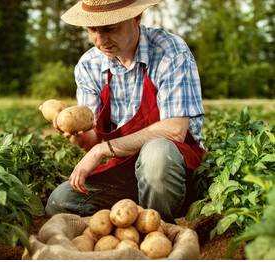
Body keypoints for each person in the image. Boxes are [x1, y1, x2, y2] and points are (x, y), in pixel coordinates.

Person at [45, 0, 206, 224]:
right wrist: (79, 136)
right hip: (125, 168)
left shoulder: (170, 52)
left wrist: (104, 149)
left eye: (110, 29)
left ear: (136, 18)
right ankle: (127, 223)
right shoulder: (88, 66)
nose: (100, 41)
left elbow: (174, 130)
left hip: (176, 171)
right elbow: (93, 141)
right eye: (93, 30)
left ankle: (157, 228)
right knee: (61, 201)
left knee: (156, 153)